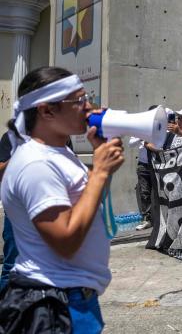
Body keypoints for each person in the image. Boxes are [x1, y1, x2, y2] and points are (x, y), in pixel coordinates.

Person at [0, 66, 124, 332]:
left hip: (72, 297)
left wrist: (101, 161)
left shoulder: (58, 152)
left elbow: (83, 204)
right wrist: (99, 172)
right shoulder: (36, 164)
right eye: (79, 100)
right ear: (46, 111)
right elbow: (65, 240)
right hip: (55, 305)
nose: (88, 106)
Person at [127, 105, 158, 231]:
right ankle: (147, 219)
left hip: (159, 164)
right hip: (143, 165)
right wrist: (143, 135)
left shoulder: (162, 127)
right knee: (144, 193)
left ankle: (163, 219)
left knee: (161, 193)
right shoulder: (140, 127)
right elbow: (130, 143)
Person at [0, 131, 16, 292]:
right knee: (12, 266)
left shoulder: (60, 138)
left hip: (53, 211)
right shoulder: (11, 138)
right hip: (17, 213)